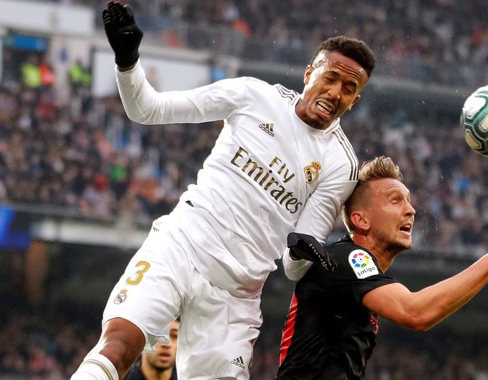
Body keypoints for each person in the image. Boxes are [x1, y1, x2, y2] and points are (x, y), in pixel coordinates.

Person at [72, 2, 375, 380]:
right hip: (180, 246)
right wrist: (128, 61)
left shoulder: (340, 164)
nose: (335, 92)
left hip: (236, 295)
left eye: (349, 88)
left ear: (356, 100)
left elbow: (295, 266)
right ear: (309, 72)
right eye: (330, 78)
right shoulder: (252, 96)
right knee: (117, 346)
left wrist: (302, 250)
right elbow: (147, 110)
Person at [277, 156, 488, 379]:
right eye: (395, 200)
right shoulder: (349, 258)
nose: (411, 210)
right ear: (361, 220)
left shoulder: (355, 268)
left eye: (409, 201)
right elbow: (416, 313)